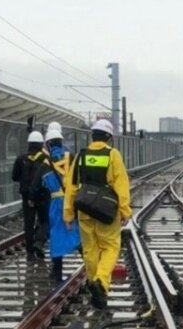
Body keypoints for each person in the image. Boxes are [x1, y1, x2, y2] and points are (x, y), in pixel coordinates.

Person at [64, 118, 131, 310]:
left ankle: (94, 283)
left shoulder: (81, 155)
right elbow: (121, 184)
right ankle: (101, 282)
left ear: (92, 136)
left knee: (90, 250)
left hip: (84, 209)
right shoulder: (112, 155)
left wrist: (69, 214)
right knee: (110, 247)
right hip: (106, 210)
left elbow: (71, 186)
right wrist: (125, 210)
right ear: (109, 137)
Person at [37, 122, 79, 283]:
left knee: (56, 235)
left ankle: (57, 272)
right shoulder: (72, 157)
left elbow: (36, 186)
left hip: (56, 203)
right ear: (61, 141)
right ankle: (90, 264)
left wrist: (34, 200)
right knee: (77, 231)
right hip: (73, 199)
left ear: (48, 144)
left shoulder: (46, 163)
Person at [11, 129, 48, 259]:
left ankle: (29, 253)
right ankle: (39, 242)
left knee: (28, 222)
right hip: (42, 195)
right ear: (41, 144)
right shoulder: (45, 158)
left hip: (26, 196)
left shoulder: (21, 159)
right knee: (44, 221)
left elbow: (14, 177)